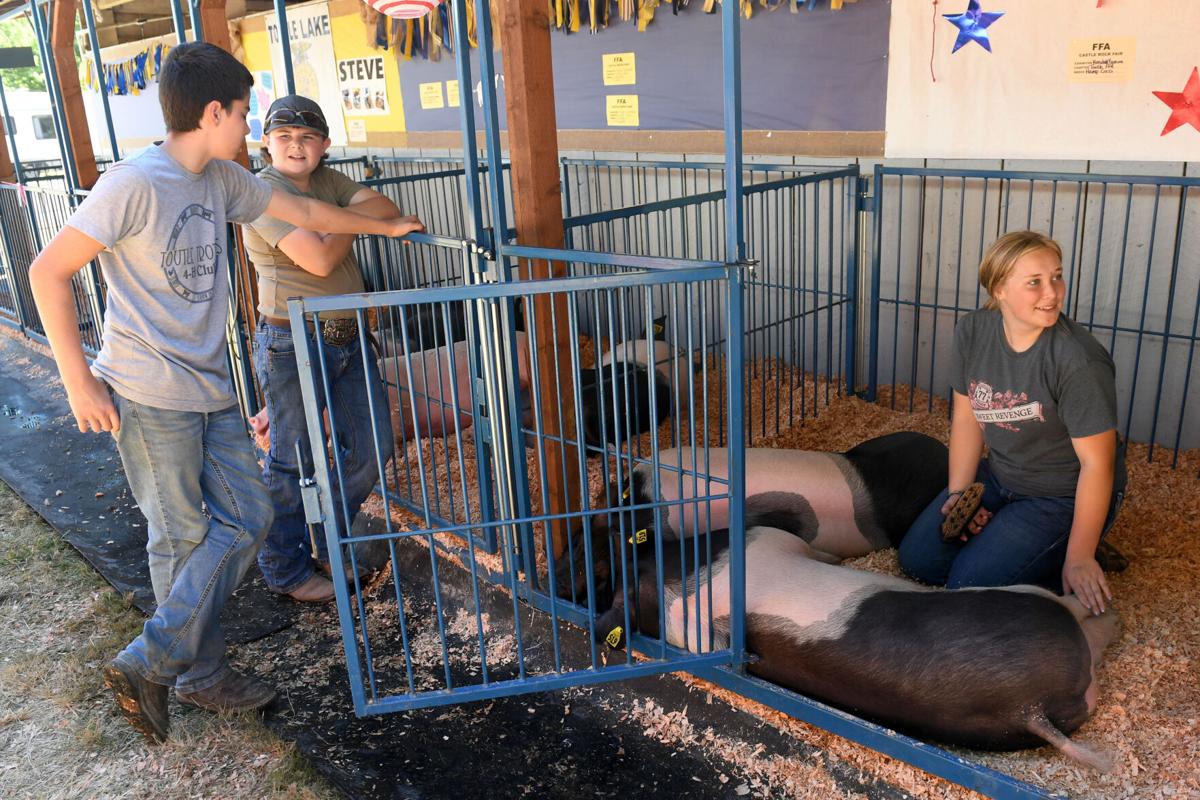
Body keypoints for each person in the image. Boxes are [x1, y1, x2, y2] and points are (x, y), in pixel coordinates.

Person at [28, 42, 422, 744]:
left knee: (247, 518)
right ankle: (195, 674)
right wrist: (77, 379)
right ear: (214, 111)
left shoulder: (222, 179)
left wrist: (383, 224)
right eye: (243, 114)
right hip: (147, 392)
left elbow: (313, 216)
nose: (250, 130)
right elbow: (46, 271)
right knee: (180, 537)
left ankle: (150, 660)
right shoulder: (134, 183)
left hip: (210, 389)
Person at [242, 94, 419, 603]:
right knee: (291, 459)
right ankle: (285, 569)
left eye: (307, 137)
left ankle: (329, 540)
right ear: (267, 143)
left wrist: (336, 217)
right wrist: (352, 221)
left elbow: (385, 205)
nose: (296, 146)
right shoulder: (260, 191)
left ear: (323, 144)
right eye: (284, 137)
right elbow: (317, 260)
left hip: (348, 335)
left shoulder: (327, 182)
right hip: (293, 338)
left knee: (373, 444)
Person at [897, 230, 1127, 615]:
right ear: (999, 289)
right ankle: (1030, 546)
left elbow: (1097, 464)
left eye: (1057, 276)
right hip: (1000, 477)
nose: (1052, 292)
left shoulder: (1078, 361)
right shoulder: (973, 331)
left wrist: (1081, 556)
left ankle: (1073, 543)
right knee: (918, 561)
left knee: (966, 586)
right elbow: (968, 417)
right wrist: (959, 495)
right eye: (1034, 282)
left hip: (1060, 494)